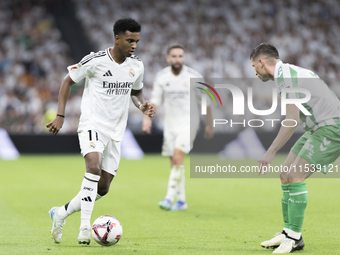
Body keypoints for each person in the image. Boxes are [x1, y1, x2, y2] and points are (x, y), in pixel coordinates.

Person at [46, 18, 155, 245]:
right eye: (129, 40)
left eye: (136, 41)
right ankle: (85, 228)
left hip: (116, 131)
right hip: (92, 124)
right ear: (117, 38)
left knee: (103, 187)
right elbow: (68, 81)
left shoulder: (137, 66)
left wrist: (142, 106)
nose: (134, 45)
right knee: (93, 167)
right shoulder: (95, 60)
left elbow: (136, 93)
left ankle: (61, 213)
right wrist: (60, 115)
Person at [251, 43, 340, 254]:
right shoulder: (290, 72)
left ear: (262, 62)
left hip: (330, 128)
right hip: (316, 127)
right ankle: (288, 231)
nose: (254, 71)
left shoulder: (286, 77)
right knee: (285, 174)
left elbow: (291, 120)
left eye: (254, 65)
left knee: (295, 175)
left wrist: (270, 151)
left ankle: (294, 238)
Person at [142, 44, 214, 211]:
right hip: (170, 125)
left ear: (184, 58)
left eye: (180, 56)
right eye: (174, 56)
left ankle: (169, 198)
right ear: (168, 58)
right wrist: (147, 119)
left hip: (189, 124)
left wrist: (210, 124)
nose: (177, 59)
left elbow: (206, 103)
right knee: (175, 163)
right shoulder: (161, 77)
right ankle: (181, 201)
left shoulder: (194, 77)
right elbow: (154, 101)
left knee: (177, 159)